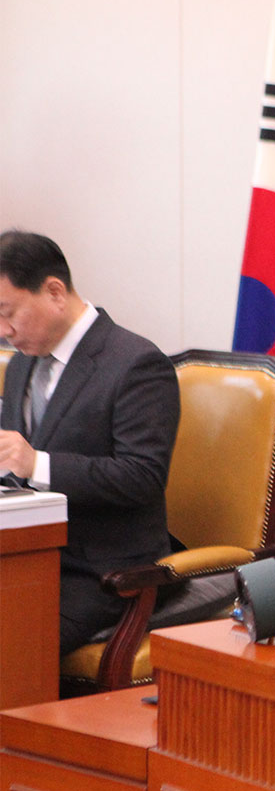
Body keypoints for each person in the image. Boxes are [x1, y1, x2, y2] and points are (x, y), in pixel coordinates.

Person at [0, 230, 180, 655]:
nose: (4, 331)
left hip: (102, 572)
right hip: (26, 555)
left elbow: (143, 476)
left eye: (8, 313)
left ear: (54, 292)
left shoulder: (135, 363)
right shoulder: (21, 366)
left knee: (10, 639)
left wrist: (37, 464)